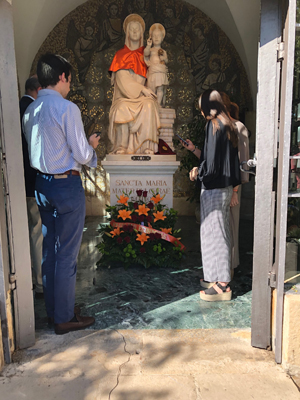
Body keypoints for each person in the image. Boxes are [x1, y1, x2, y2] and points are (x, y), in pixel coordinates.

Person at [23, 54, 100, 334]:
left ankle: (56, 310)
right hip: (66, 185)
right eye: (70, 79)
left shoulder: (30, 110)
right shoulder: (67, 108)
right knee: (67, 254)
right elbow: (80, 153)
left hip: (42, 185)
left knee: (50, 251)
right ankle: (65, 318)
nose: (70, 84)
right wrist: (91, 148)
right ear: (63, 77)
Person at [188, 90, 240, 301]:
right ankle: (215, 276)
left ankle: (222, 284)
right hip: (223, 187)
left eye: (201, 105)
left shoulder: (214, 125)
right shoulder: (228, 124)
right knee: (217, 231)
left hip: (214, 187)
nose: (200, 111)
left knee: (215, 234)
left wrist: (197, 172)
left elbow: (211, 165)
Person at [108, 14, 160, 154]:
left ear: (142, 33)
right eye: (132, 29)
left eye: (138, 29)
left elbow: (154, 75)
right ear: (127, 33)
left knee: (149, 105)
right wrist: (142, 89)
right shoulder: (120, 55)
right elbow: (123, 80)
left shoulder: (146, 55)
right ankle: (122, 147)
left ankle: (146, 147)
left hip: (142, 98)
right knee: (121, 108)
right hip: (124, 98)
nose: (135, 32)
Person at [19, 76, 43, 298]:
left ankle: (24, 278)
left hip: (16, 182)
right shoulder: (33, 110)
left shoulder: (15, 106)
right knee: (37, 230)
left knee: (21, 231)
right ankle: (39, 283)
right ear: (38, 90)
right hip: (32, 182)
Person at [220, 92, 250, 273]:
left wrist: (235, 191)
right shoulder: (220, 128)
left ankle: (229, 267)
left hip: (232, 187)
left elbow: (243, 162)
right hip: (219, 185)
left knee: (231, 227)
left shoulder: (239, 128)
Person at [144, 23, 169, 107]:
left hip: (160, 71)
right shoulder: (151, 50)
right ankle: (152, 105)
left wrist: (163, 59)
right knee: (151, 89)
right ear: (151, 38)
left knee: (160, 88)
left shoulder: (163, 51)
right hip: (153, 72)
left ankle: (158, 104)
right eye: (154, 36)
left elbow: (166, 60)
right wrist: (148, 45)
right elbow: (145, 53)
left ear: (162, 38)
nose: (156, 38)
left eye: (159, 36)